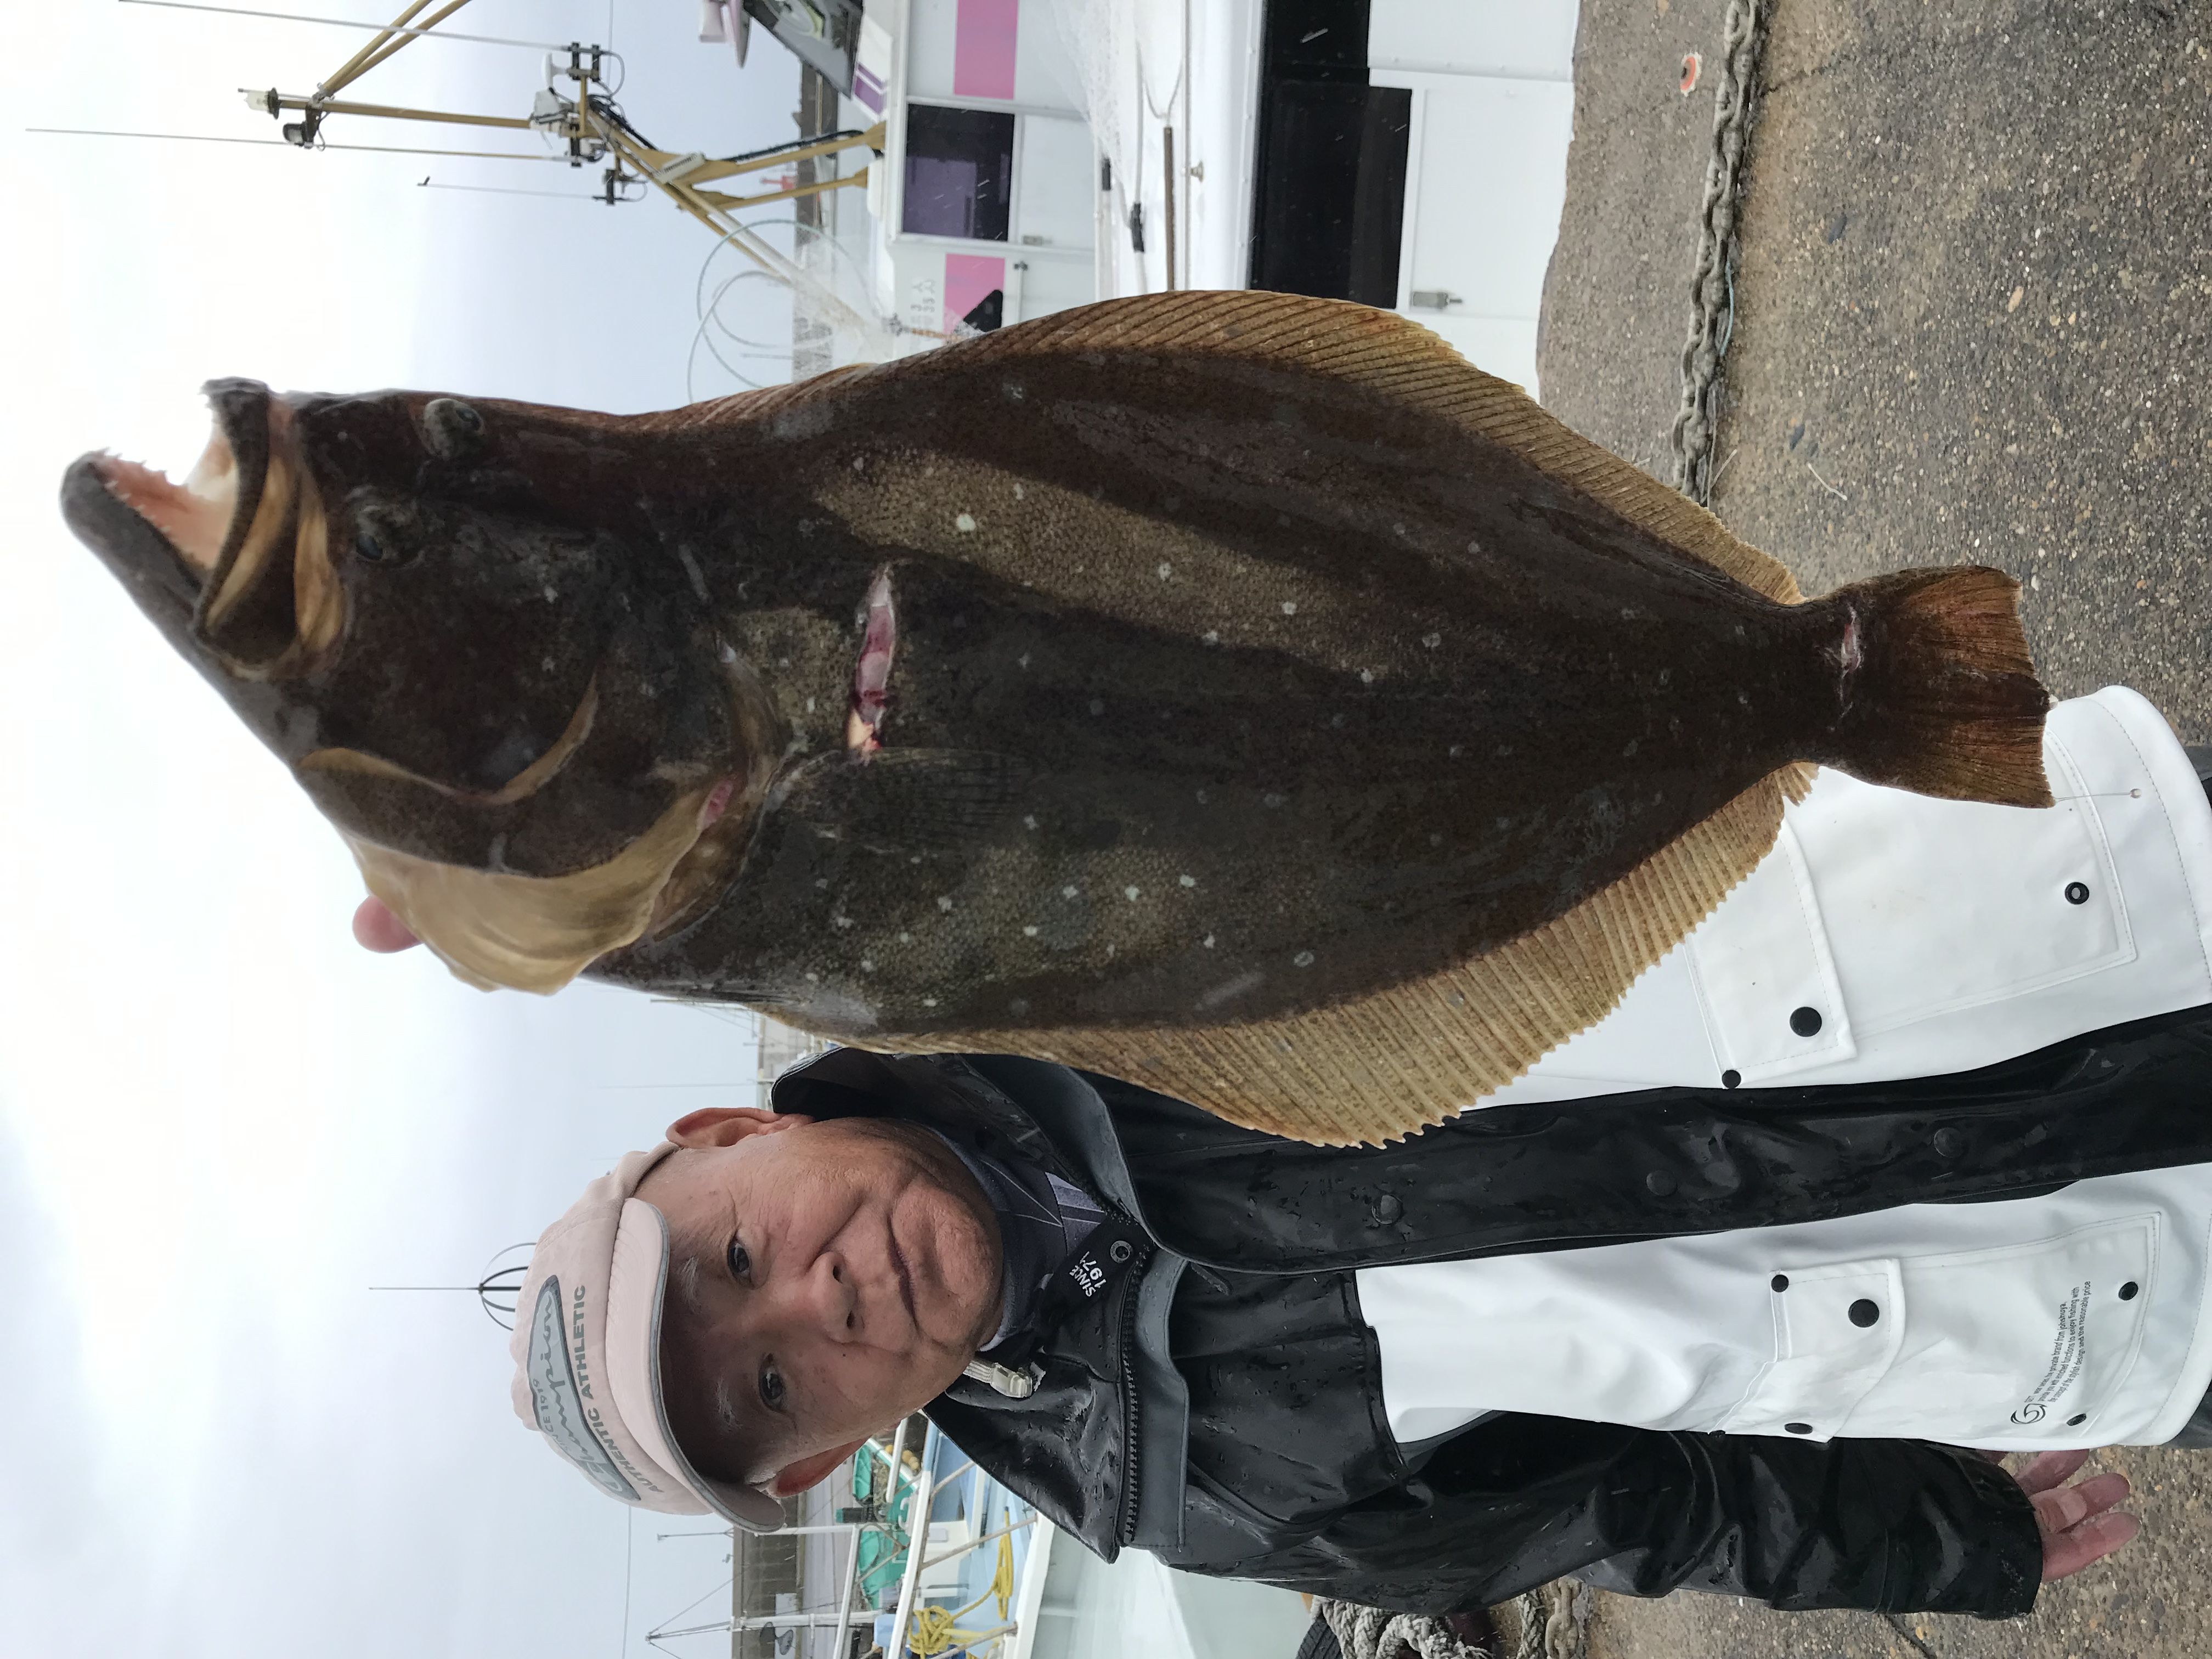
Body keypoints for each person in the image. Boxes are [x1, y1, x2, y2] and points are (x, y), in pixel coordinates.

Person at [491, 687, 2212, 1618]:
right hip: (2124, 1281)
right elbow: (1631, 1504)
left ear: (729, 1129)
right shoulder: (1201, 1493)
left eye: (737, 1254)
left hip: (2063, 917)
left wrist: (529, 830)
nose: (819, 1301)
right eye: (775, 1384)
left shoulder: (1024, 938)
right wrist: (1936, 1537)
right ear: (821, 1461)